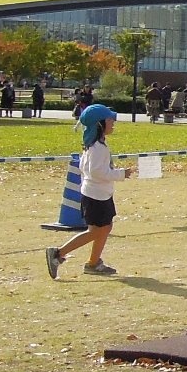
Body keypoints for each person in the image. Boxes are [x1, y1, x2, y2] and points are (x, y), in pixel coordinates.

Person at [45, 103, 135, 279]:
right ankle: (58, 254)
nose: (113, 122)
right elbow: (97, 172)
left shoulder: (96, 145)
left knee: (106, 227)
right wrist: (121, 174)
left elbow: (88, 169)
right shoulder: (97, 148)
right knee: (95, 231)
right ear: (100, 124)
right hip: (96, 196)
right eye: (110, 120)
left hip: (99, 194)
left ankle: (93, 263)